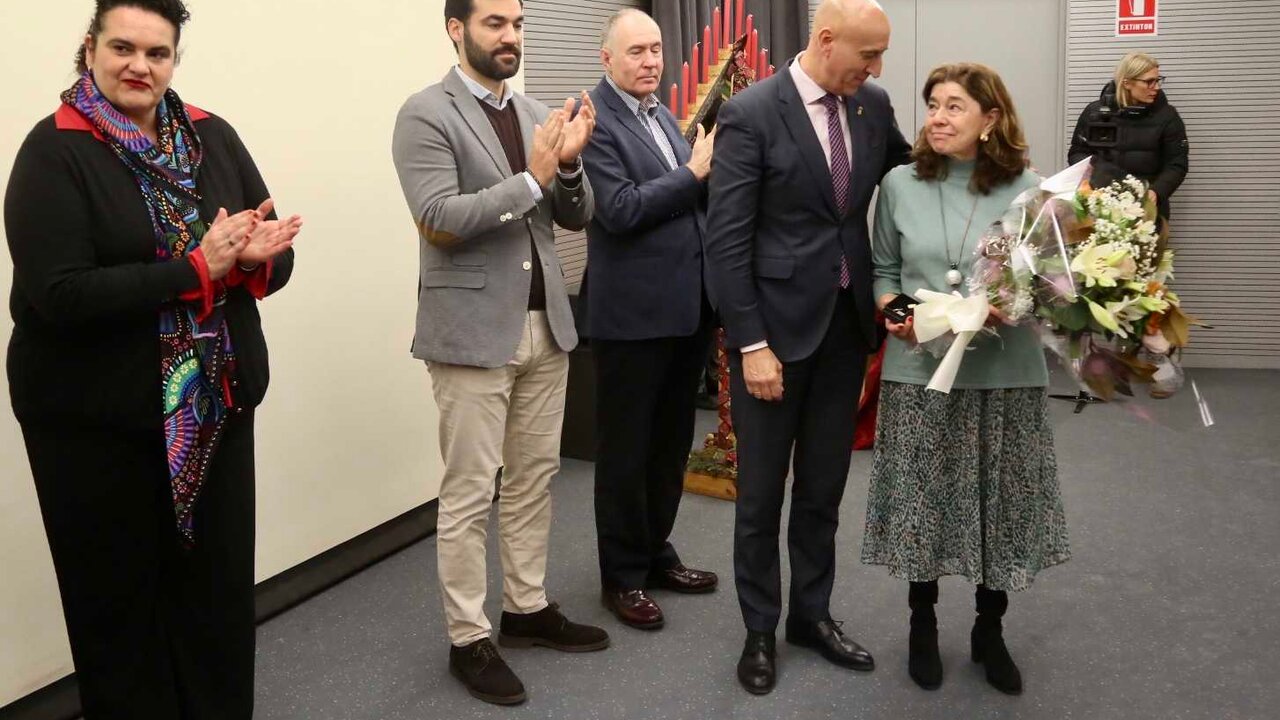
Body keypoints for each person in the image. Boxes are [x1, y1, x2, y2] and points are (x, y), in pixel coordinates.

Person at [4, 1, 299, 716]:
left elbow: (266, 250)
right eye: (122, 48)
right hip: (96, 422)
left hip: (213, 408)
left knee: (217, 596)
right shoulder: (53, 149)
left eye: (157, 53)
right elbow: (58, 295)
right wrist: (198, 270)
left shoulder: (211, 136)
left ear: (174, 60)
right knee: (120, 607)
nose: (139, 66)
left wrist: (259, 260)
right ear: (91, 50)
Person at [390, 0, 608, 706]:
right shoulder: (425, 112)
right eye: (494, 23)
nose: (510, 36)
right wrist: (535, 177)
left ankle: (526, 607)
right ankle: (467, 637)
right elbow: (440, 220)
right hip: (472, 335)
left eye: (517, 24)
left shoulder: (536, 111)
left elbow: (576, 216)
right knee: (469, 493)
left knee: (533, 480)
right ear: (457, 30)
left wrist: (567, 170)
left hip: (549, 327)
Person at [704, 0, 911, 695]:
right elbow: (727, 242)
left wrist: (1012, 187)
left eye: (881, 56)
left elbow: (919, 174)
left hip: (846, 333)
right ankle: (760, 629)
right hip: (773, 340)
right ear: (826, 41)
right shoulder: (752, 114)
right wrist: (752, 343)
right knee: (761, 497)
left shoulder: (871, 105)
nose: (878, 68)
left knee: (823, 492)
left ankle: (811, 617)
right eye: (869, 54)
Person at [861, 62, 1071, 695]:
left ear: (991, 119)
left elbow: (1057, 286)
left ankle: (990, 630)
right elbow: (884, 272)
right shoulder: (899, 184)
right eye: (933, 105)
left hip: (1005, 375)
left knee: (998, 508)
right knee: (923, 506)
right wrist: (896, 313)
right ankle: (921, 625)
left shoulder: (1033, 189)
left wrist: (1020, 304)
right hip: (919, 372)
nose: (939, 117)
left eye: (955, 106)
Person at [578, 8, 719, 631]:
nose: (651, 62)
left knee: (668, 448)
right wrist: (694, 173)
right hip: (631, 318)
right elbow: (620, 210)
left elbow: (691, 203)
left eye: (656, 50)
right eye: (636, 52)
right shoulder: (596, 123)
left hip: (685, 311)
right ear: (606, 59)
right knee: (626, 453)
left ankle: (655, 552)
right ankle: (622, 577)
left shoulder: (662, 114)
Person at [1068, 52, 1188, 221]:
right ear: (1127, 83)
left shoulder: (1167, 116)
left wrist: (1156, 192)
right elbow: (1076, 154)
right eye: (1149, 81)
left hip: (1147, 210)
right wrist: (1099, 175)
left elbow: (1177, 164)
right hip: (1101, 206)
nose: (1156, 87)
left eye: (1158, 80)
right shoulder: (1094, 113)